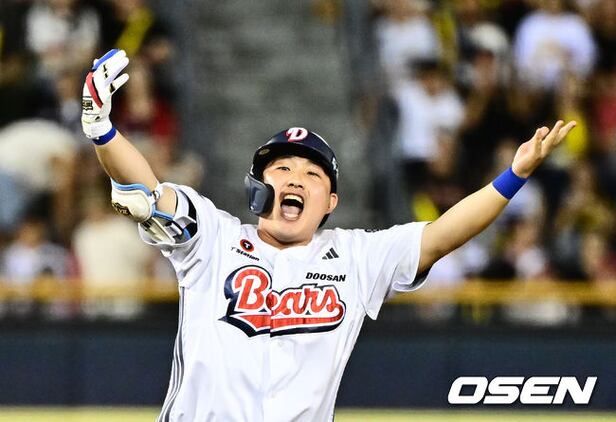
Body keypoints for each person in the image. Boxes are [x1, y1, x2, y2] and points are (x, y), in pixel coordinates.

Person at [81, 49, 576, 421]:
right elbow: (150, 190)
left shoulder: (356, 257)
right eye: (282, 169)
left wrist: (513, 176)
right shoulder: (212, 238)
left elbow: (441, 236)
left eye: (312, 174)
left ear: (331, 203)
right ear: (257, 187)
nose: (296, 178)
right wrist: (102, 129)